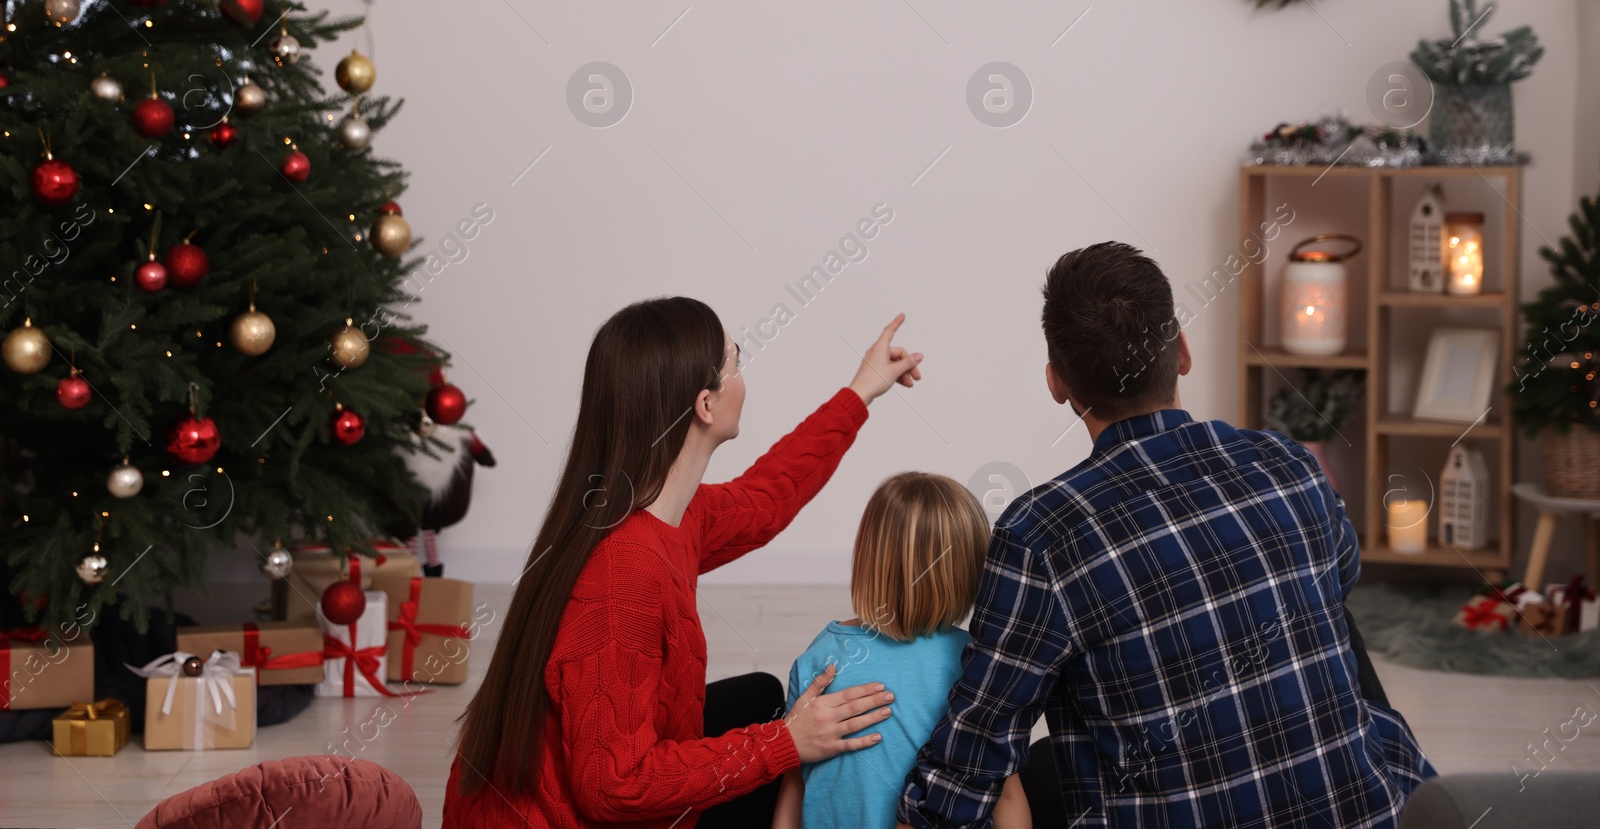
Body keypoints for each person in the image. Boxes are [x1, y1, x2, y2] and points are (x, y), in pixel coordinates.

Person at [897, 242, 1434, 829]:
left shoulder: (1041, 535)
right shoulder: (1287, 464)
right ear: (1181, 352)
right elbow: (1342, 574)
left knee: (1033, 751)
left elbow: (974, 755)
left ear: (1057, 383)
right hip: (1380, 809)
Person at [442, 297, 923, 829]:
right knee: (781, 734)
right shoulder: (622, 574)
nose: (743, 376)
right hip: (578, 810)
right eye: (735, 363)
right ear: (705, 405)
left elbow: (767, 499)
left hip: (592, 780)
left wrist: (862, 389)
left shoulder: (652, 510)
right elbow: (614, 789)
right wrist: (784, 742)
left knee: (763, 696)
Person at [773, 472, 1032, 829]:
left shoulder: (823, 656)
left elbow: (794, 783)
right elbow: (1007, 794)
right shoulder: (977, 665)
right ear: (971, 570)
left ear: (867, 557)